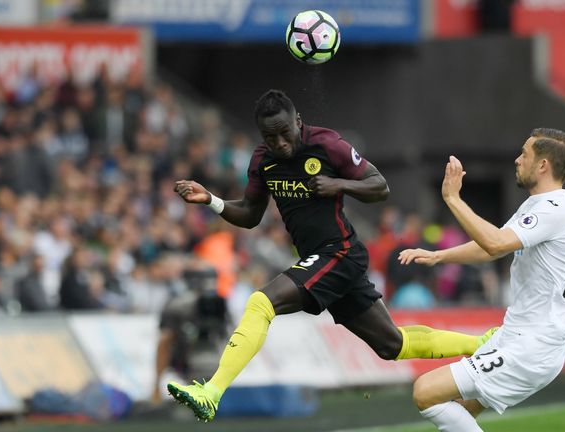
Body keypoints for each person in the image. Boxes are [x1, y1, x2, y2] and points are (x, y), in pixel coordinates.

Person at [166, 89, 494, 421]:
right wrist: (212, 200)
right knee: (392, 345)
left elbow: (379, 186)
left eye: (284, 132)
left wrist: (339, 186)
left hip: (340, 252)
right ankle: (483, 345)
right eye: (270, 136)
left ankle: (211, 392)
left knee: (261, 303)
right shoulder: (263, 160)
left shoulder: (326, 144)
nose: (279, 142)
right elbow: (251, 214)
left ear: (297, 121)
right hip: (324, 260)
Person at [399, 128, 565, 431]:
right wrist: (439, 256)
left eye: (525, 153)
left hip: (533, 345)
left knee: (425, 392)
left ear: (543, 165)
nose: (517, 160)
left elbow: (494, 243)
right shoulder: (539, 204)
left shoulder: (554, 209)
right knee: (460, 414)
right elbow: (491, 247)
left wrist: (453, 199)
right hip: (518, 336)